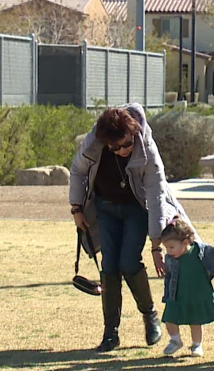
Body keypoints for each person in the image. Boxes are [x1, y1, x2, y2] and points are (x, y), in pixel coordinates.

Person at [70, 103, 192, 352]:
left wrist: (156, 243)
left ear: (133, 133)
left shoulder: (146, 147)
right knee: (109, 266)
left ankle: (150, 315)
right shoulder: (94, 143)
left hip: (137, 208)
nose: (122, 150)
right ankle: (110, 333)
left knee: (128, 262)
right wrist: (76, 208)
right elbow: (78, 171)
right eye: (114, 148)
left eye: (126, 144)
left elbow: (156, 194)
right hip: (105, 207)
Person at [160, 217, 214, 357]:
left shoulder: (199, 251)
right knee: (169, 319)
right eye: (166, 248)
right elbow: (169, 278)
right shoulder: (171, 258)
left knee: (195, 321)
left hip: (196, 294)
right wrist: (167, 295)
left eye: (171, 247)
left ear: (185, 242)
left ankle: (197, 345)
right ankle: (175, 340)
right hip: (177, 295)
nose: (169, 251)